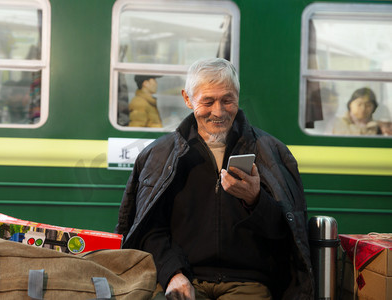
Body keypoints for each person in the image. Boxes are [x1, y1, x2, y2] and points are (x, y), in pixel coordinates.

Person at [116, 58, 314, 300]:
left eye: (227, 100)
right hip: (183, 279)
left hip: (247, 283)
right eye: (207, 101)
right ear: (187, 99)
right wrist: (172, 273)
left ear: (238, 97)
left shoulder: (271, 152)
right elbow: (149, 229)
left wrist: (255, 200)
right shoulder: (159, 155)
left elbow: (288, 236)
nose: (218, 112)